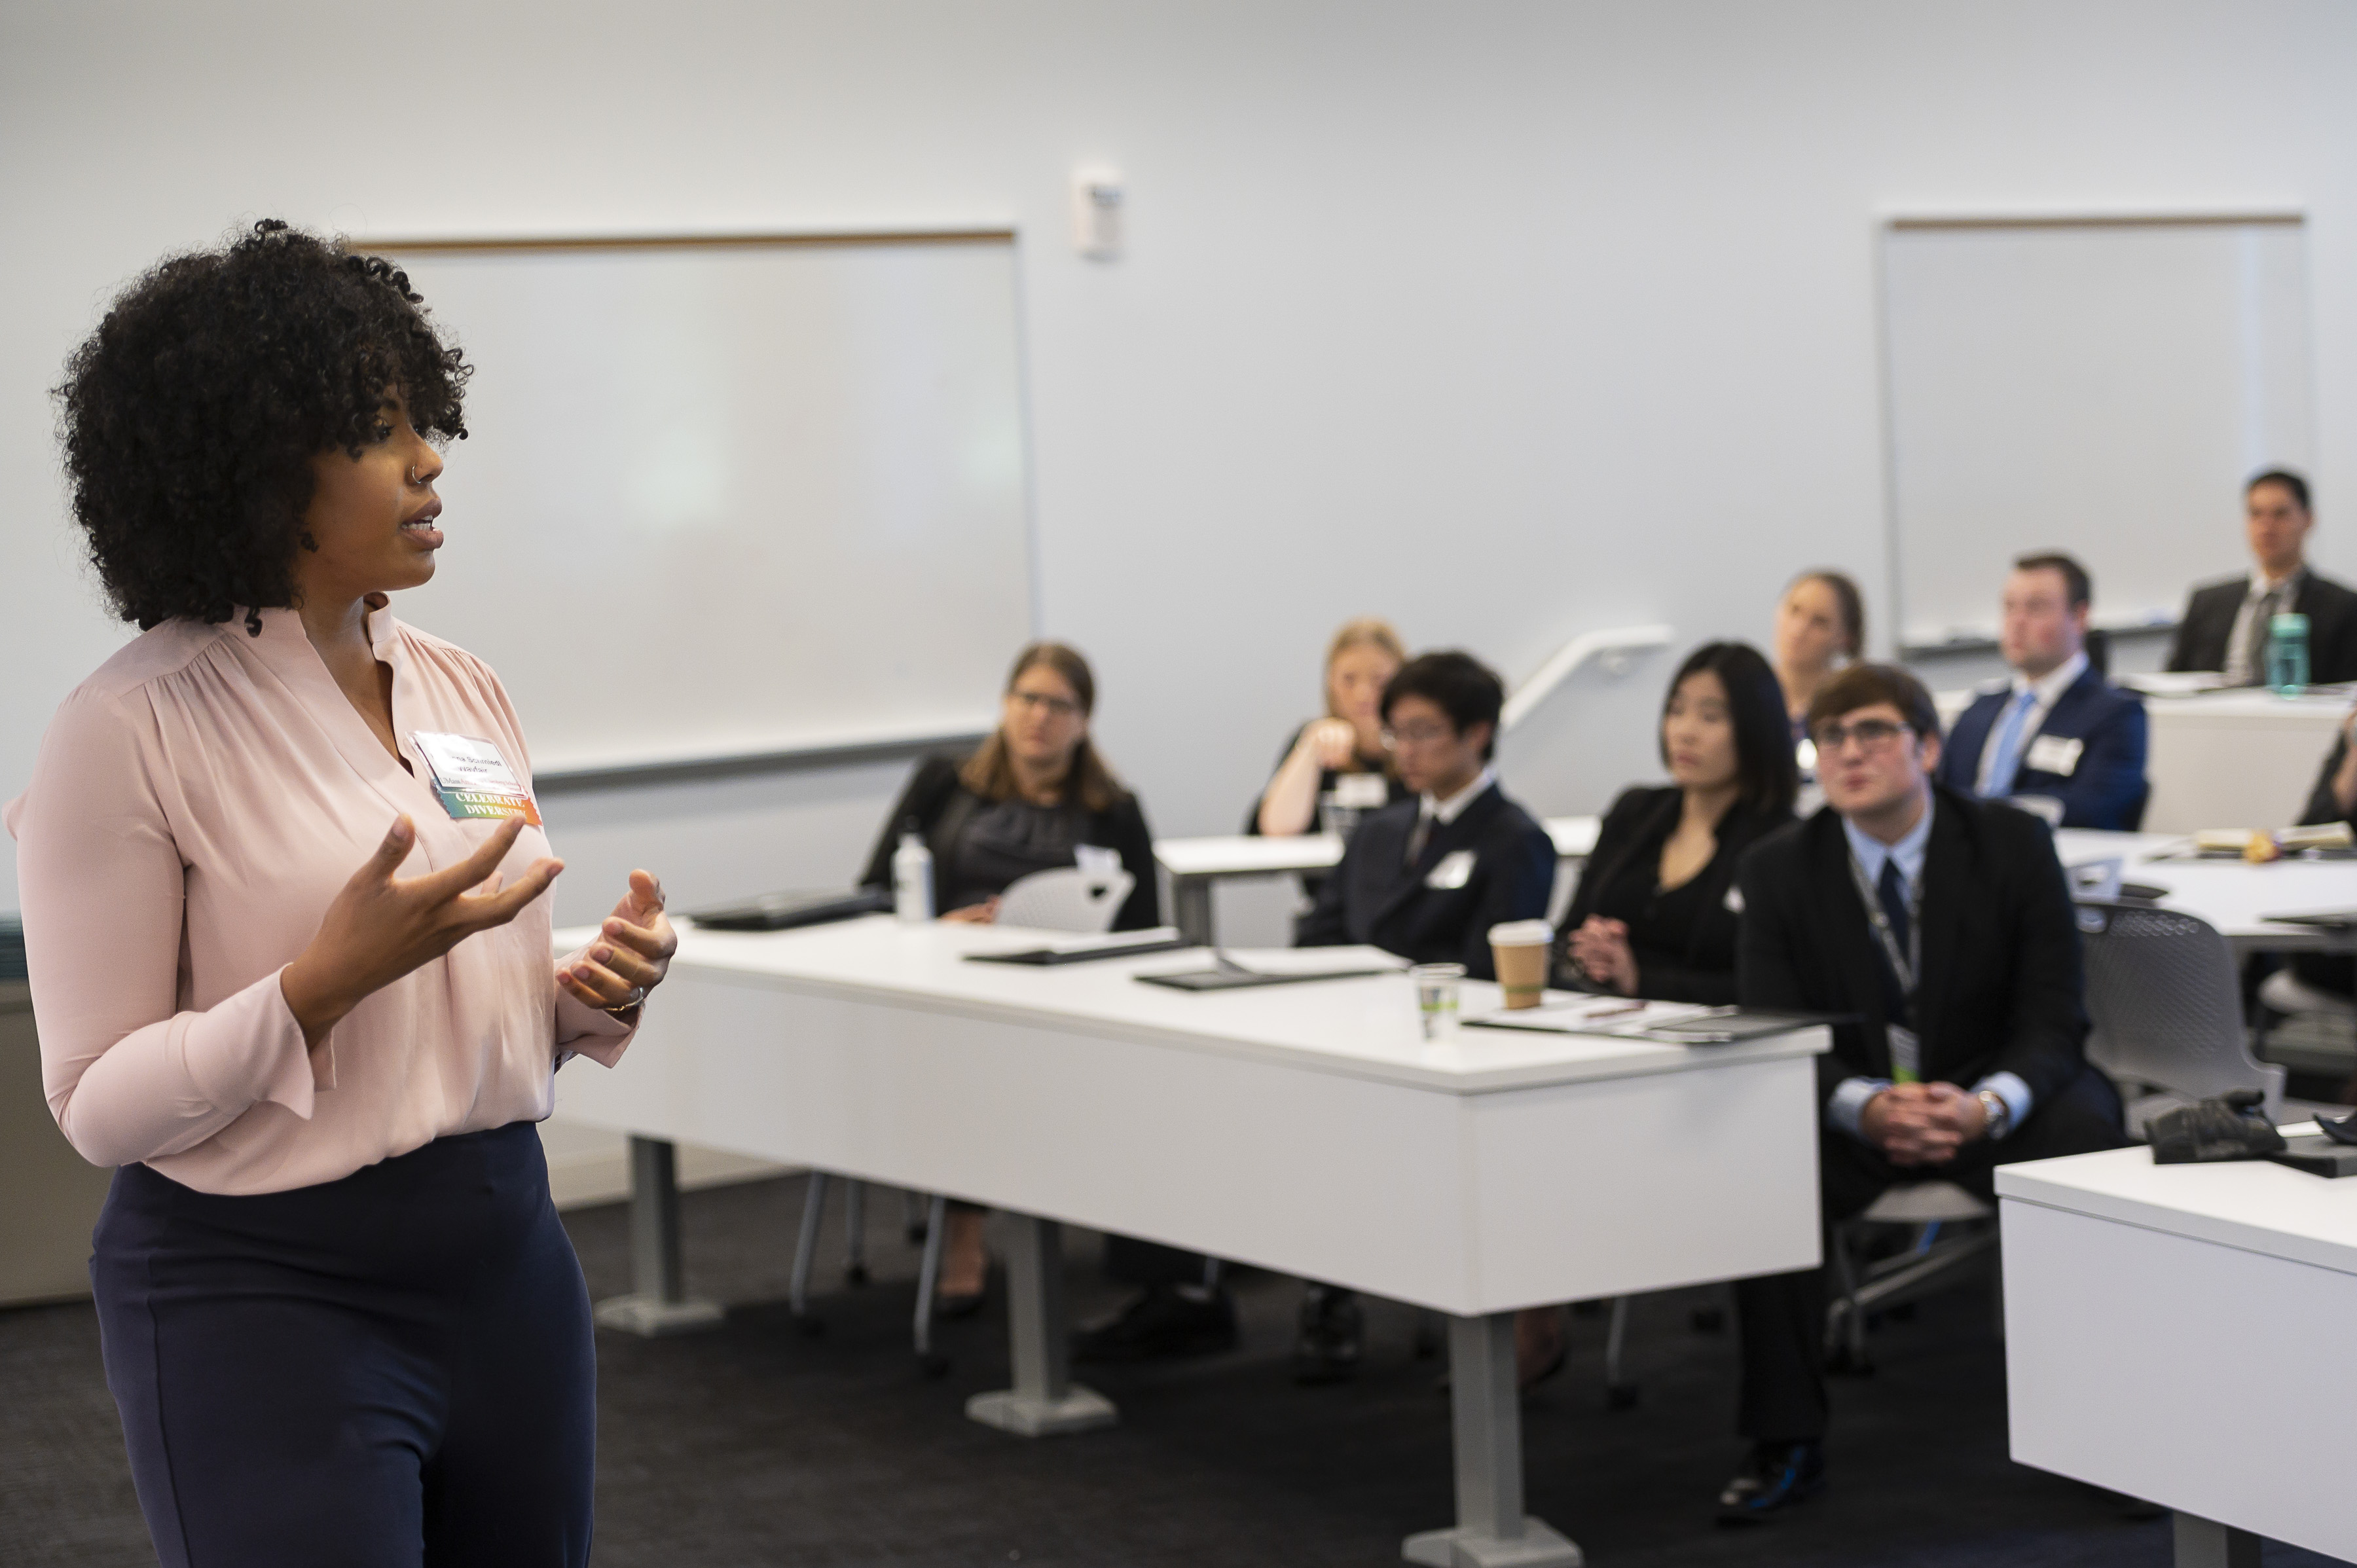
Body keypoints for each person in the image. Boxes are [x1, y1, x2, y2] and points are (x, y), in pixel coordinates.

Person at [10, 221, 675, 1567]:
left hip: (507, 1262)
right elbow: (95, 1104)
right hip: (261, 1290)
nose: (430, 459)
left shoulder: (461, 686)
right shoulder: (125, 728)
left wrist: (572, 996)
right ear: (259, 471)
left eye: (424, 419)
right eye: (379, 432)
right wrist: (318, 987)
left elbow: (452, 988)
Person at [1718, 663, 2123, 1524]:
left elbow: (2055, 1016)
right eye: (1830, 737)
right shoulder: (1778, 868)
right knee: (1763, 1156)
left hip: (1991, 1094)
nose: (1849, 752)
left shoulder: (2011, 843)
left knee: (2089, 1128)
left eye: (1873, 731)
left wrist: (1990, 1103)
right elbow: (1774, 1032)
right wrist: (1864, 1105)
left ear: (1929, 749)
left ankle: (2109, 1431)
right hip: (1859, 1109)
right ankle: (1786, 1438)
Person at [858, 643, 1192, 1330]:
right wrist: (939, 924)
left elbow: (1145, 926)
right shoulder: (945, 783)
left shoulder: (1114, 808)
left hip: (1067, 994)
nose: (1039, 716)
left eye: (1058, 704)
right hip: (950, 990)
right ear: (1006, 704)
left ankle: (1152, 1264)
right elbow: (874, 888)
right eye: (1027, 698)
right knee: (967, 1058)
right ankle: (965, 1230)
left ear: (1085, 720)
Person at [1509, 641, 1800, 1386]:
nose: (1685, 731)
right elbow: (1570, 928)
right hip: (1602, 1040)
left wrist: (1646, 978)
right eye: (1676, 710)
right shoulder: (1638, 811)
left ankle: (1537, 1309)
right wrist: (1591, 954)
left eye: (1711, 715)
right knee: (1510, 1104)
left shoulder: (1779, 840)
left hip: (1712, 1065)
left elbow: (1765, 985)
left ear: (1755, 730)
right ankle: (1526, 1305)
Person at [1290, 650, 1556, 1381]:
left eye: (1423, 732)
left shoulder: (1513, 838)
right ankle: (1325, 1289)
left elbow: (1485, 973)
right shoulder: (1381, 829)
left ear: (1477, 734)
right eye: (1396, 733)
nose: (1405, 750)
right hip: (1357, 1035)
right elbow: (1320, 930)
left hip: (1445, 1052)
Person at [1936, 553, 2149, 830]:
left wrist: (1985, 817)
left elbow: (2094, 809)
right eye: (2009, 607)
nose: (2017, 622)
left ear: (2080, 616)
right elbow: (1939, 795)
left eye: (2036, 608)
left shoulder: (2116, 714)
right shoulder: (1978, 710)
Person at [2167, 469, 2357, 684]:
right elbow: (2174, 681)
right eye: (2256, 514)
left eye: (2280, 514)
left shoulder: (2343, 607)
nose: (2266, 527)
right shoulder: (2208, 602)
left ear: (2308, 520)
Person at [1248, 617, 1412, 838]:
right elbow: (1276, 829)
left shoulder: (1414, 747)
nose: (1363, 693)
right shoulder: (1313, 739)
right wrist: (1310, 749)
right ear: (1330, 682)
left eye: (1379, 680)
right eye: (1349, 679)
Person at [1771, 570, 1866, 742]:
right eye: (1794, 610)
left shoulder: (1854, 711)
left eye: (1820, 622)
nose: (1798, 630)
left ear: (1846, 638)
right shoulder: (1744, 694)